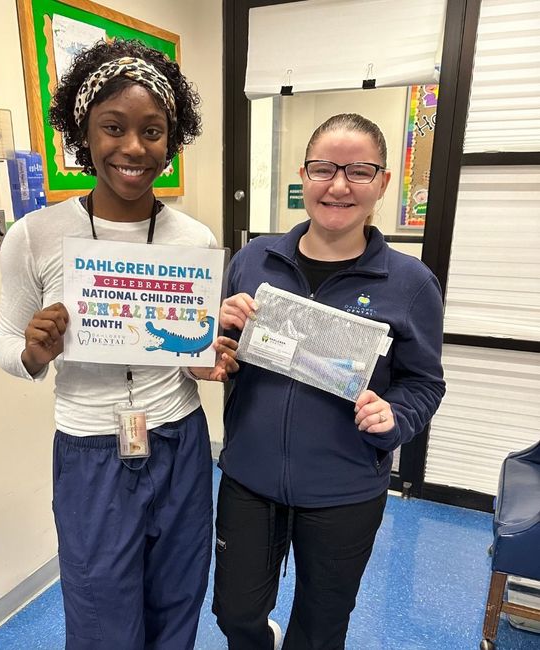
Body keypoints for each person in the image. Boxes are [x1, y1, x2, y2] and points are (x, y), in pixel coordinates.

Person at [0, 38, 237, 650]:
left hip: (180, 441)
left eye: (153, 131)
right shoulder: (36, 236)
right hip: (90, 450)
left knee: (179, 600)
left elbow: (194, 347)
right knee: (102, 614)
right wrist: (32, 353)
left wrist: (208, 360)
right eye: (113, 127)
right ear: (84, 135)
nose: (133, 147)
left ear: (171, 141)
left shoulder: (193, 236)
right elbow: (4, 343)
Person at [213, 113, 445, 650]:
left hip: (345, 489)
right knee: (234, 614)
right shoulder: (254, 260)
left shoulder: (410, 284)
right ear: (303, 176)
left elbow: (424, 382)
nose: (338, 185)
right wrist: (219, 339)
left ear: (383, 183)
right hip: (249, 477)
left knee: (321, 628)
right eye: (323, 169)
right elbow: (223, 358)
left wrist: (396, 416)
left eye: (358, 171)